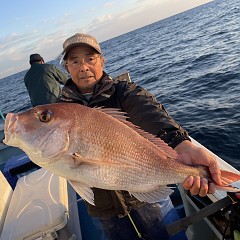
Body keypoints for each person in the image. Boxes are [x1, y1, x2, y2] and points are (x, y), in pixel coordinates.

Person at [59, 33, 222, 240]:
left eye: (90, 59)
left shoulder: (123, 92)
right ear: (67, 67)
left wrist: (182, 145)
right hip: (104, 210)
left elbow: (151, 113)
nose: (83, 67)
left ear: (102, 60)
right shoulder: (61, 111)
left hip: (147, 196)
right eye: (75, 61)